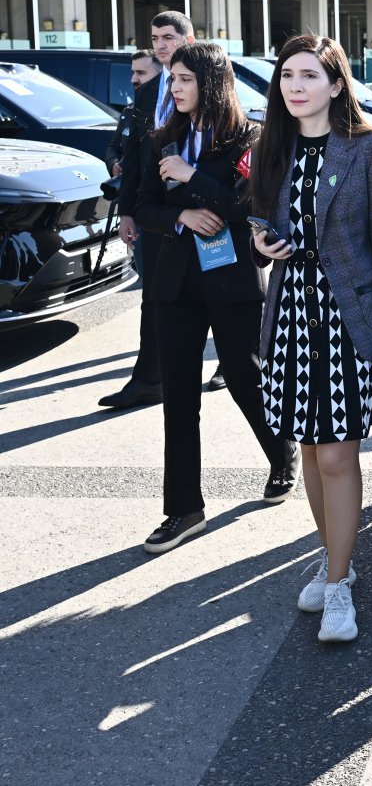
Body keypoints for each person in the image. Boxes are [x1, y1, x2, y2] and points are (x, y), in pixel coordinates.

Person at [249, 34, 372, 642]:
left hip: (350, 316)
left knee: (340, 453)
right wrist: (261, 244)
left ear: (335, 83)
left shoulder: (370, 146)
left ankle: (341, 584)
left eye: (308, 76)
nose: (294, 86)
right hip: (291, 310)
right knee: (311, 451)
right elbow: (263, 223)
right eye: (286, 76)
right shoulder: (272, 145)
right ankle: (331, 556)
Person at [135, 42, 300, 554]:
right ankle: (184, 509)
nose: (176, 88)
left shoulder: (250, 137)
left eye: (185, 79)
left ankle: (282, 453)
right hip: (175, 283)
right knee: (178, 397)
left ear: (210, 82)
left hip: (231, 280)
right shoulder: (163, 138)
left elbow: (250, 204)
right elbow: (142, 205)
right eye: (173, 79)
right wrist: (179, 215)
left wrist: (192, 180)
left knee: (246, 377)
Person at [101, 12, 195, 410]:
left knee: (209, 295)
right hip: (155, 213)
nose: (160, 44)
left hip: (199, 211)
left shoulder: (205, 85)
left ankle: (233, 363)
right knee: (153, 298)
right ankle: (147, 380)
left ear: (188, 40)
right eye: (155, 37)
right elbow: (135, 158)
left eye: (168, 37)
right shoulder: (147, 91)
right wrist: (127, 212)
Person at [104, 50, 160, 177]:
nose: (133, 79)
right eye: (133, 72)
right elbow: (113, 147)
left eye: (141, 73)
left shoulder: (166, 113)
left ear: (160, 76)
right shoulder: (129, 111)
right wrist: (114, 164)